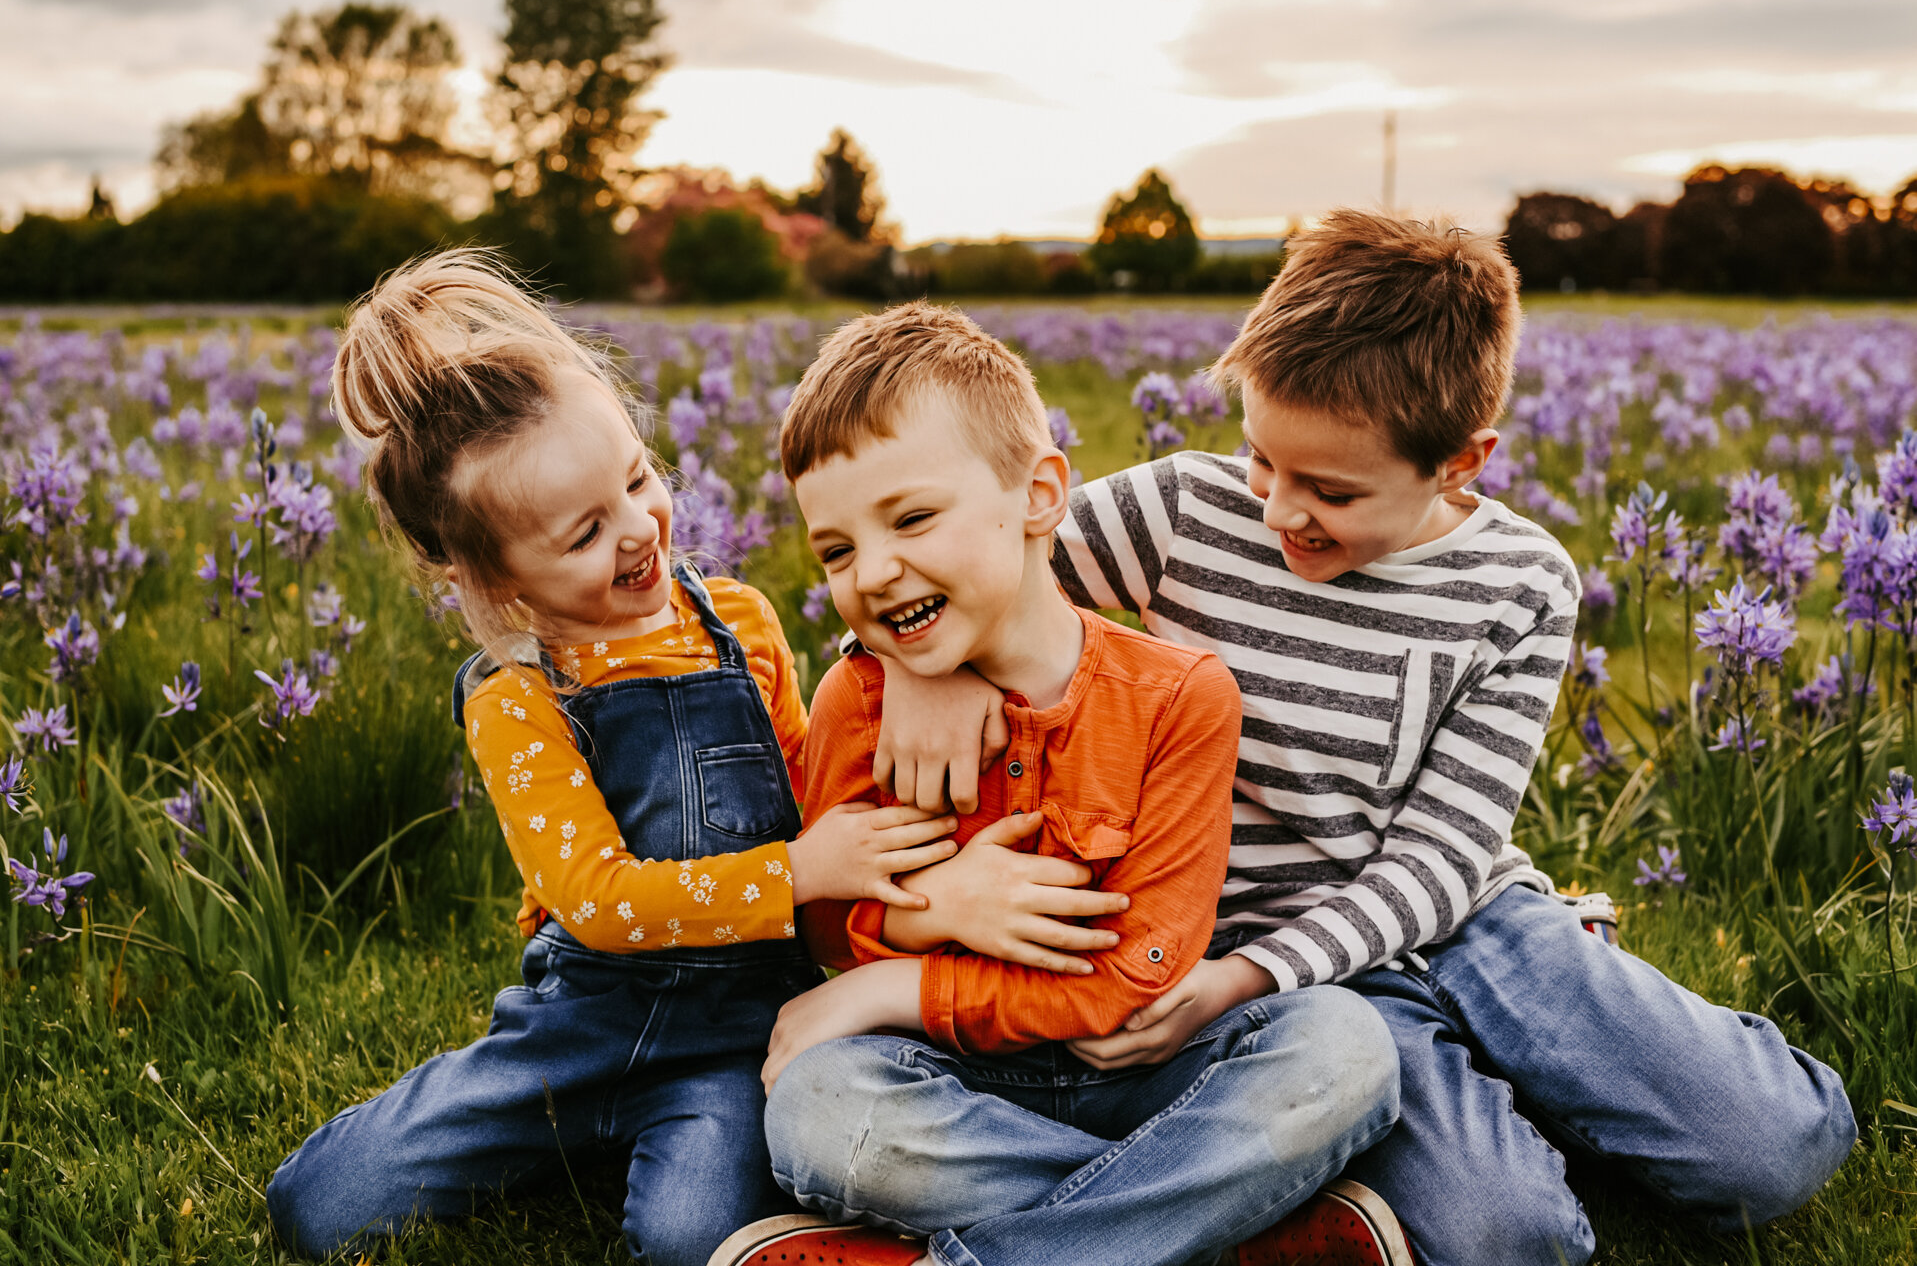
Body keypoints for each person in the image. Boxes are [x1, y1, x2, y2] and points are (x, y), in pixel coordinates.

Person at [872, 210, 1859, 1266]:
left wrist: (1238, 982)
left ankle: (1574, 1019)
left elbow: (1441, 858)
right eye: (1262, 458)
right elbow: (958, 584)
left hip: (1469, 913)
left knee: (1773, 1151)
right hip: (1308, 968)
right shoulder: (1179, 513)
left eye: (1332, 490)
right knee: (1509, 1235)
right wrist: (911, 670)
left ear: (1460, 462)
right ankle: (1502, 1101)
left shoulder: (1524, 584)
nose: (1280, 510)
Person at [262, 250, 973, 1266]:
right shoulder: (520, 693)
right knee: (316, 1205)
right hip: (578, 1027)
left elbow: (817, 787)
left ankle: (669, 1145)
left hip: (736, 1033)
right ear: (495, 574)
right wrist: (798, 870)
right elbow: (597, 897)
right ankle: (573, 1128)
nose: (640, 528)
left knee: (691, 1239)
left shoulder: (740, 623)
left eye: (637, 478)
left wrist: (910, 681)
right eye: (586, 531)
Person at [714, 302, 1404, 1266]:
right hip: (948, 1081)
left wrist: (897, 979)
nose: (872, 573)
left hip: (1149, 1069)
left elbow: (1136, 980)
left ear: (1041, 496)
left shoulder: (1180, 697)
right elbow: (830, 926)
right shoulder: (858, 700)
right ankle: (1220, 1224)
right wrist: (931, 908)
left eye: (911, 518)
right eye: (834, 551)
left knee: (1344, 1047)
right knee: (822, 1109)